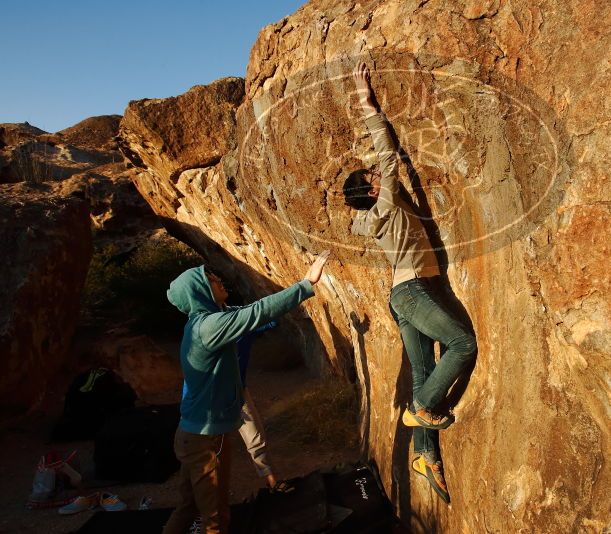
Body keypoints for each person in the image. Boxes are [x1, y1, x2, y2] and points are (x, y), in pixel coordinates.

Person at [343, 63, 477, 504]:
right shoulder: (383, 206)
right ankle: (422, 410)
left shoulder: (373, 216)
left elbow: (386, 169)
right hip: (413, 290)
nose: (378, 175)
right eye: (373, 178)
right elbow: (387, 154)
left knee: (422, 371)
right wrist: (366, 103)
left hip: (403, 296)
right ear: (370, 188)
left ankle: (425, 456)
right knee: (461, 345)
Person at [163, 251, 329, 534]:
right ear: (200, 290)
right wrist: (305, 284)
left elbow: (249, 313)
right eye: (212, 280)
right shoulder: (208, 327)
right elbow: (257, 312)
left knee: (189, 506)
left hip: (202, 435)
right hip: (202, 440)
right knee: (216, 518)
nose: (219, 281)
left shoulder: (209, 319)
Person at [180, 321, 291, 491]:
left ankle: (272, 482)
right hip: (212, 397)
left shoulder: (242, 325)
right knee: (210, 445)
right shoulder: (204, 332)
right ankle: (201, 493)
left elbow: (268, 319)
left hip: (238, 392)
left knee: (255, 436)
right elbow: (193, 370)